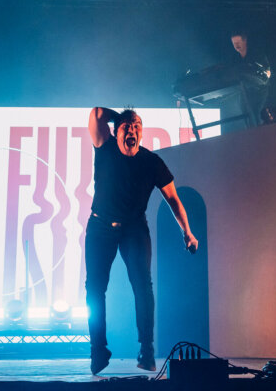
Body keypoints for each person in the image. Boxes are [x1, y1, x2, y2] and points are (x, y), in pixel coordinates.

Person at [86, 107, 199, 375]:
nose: (132, 130)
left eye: (137, 126)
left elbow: (173, 199)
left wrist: (187, 231)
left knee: (142, 286)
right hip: (100, 225)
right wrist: (121, 119)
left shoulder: (152, 162)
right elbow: (97, 113)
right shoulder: (104, 147)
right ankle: (98, 348)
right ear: (115, 131)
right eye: (127, 126)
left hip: (134, 228)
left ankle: (146, 349)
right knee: (95, 289)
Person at [230, 31, 272, 125]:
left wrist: (260, 79)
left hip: (260, 90)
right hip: (245, 90)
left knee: (257, 112)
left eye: (238, 42)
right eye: (234, 43)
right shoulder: (235, 58)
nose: (236, 45)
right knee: (245, 113)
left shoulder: (257, 54)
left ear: (245, 41)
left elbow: (268, 72)